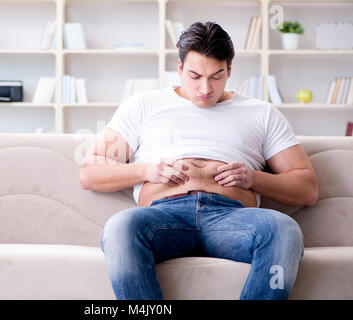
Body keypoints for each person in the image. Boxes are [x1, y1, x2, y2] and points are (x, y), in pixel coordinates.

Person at [79, 21, 318, 300]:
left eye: (216, 76)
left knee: (284, 229)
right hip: (162, 217)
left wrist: (254, 178)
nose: (205, 88)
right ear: (180, 69)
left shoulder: (261, 113)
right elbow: (90, 171)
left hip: (233, 219)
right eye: (194, 76)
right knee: (120, 227)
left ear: (230, 70)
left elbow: (307, 188)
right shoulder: (143, 105)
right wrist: (145, 170)